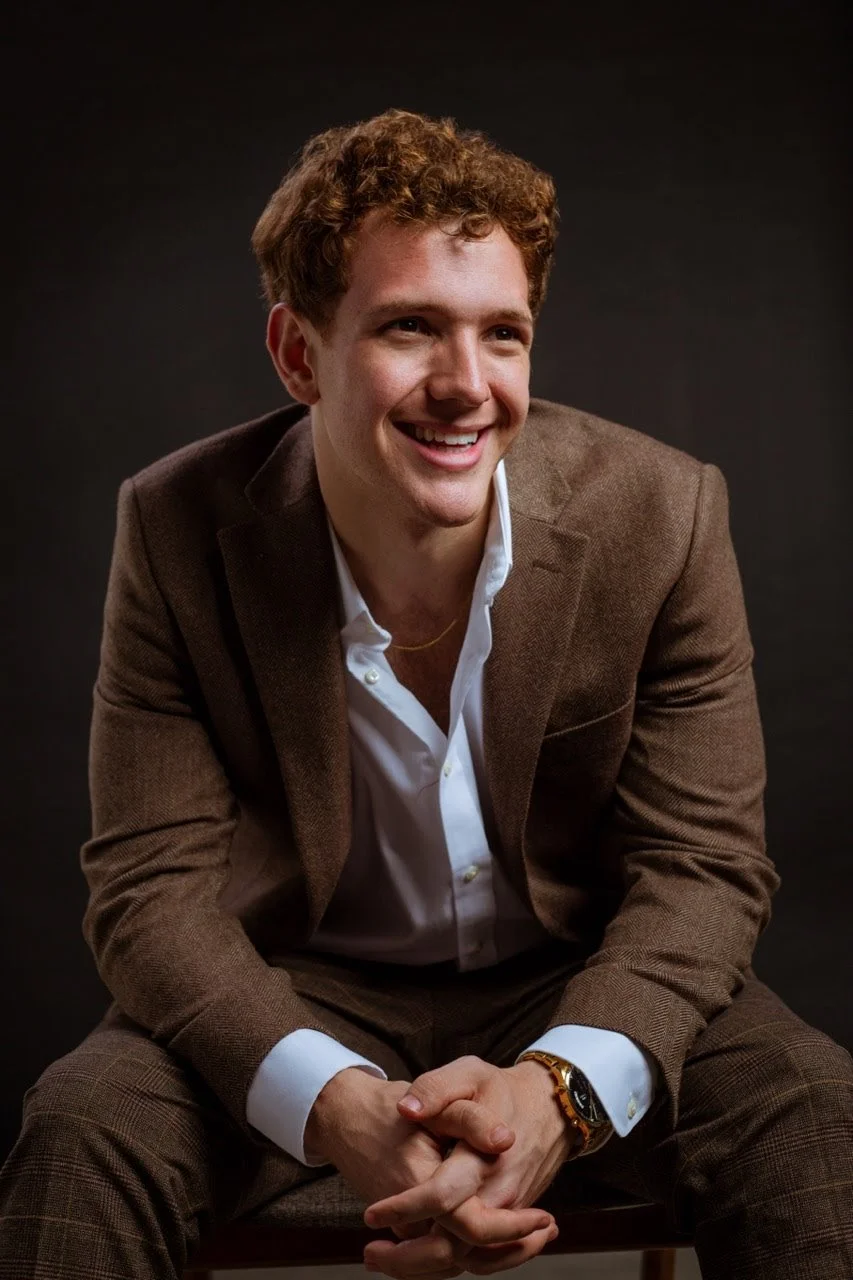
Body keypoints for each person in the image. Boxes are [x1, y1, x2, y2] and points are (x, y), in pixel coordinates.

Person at [0, 107, 850, 1280]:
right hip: (293, 984)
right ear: (299, 355)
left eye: (502, 333)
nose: (466, 385)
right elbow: (149, 891)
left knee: (809, 1104)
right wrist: (339, 1102)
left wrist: (557, 1089)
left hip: (577, 971)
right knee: (81, 1131)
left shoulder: (663, 513)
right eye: (410, 327)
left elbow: (702, 866)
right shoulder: (176, 526)